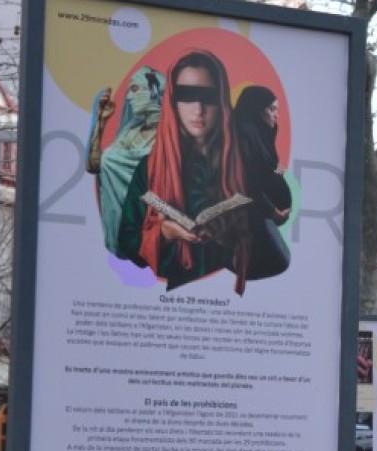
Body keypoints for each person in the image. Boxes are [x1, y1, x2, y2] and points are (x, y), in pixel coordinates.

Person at [117, 50, 254, 294]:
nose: (198, 109)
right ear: (172, 100)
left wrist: (229, 229)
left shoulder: (244, 165)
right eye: (187, 96)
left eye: (208, 96)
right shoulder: (149, 168)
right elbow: (126, 242)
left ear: (221, 99)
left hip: (231, 300)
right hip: (173, 300)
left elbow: (269, 241)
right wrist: (164, 233)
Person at [86, 66, 166, 254]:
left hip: (153, 229)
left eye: (135, 89)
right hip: (121, 235)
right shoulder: (130, 133)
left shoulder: (168, 134)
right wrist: (100, 122)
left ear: (154, 91)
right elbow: (94, 165)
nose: (129, 97)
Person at [230, 84, 292, 277]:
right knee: (275, 259)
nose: (276, 115)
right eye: (271, 109)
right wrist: (272, 210)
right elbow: (247, 182)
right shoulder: (243, 136)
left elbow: (262, 175)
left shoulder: (260, 135)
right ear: (257, 110)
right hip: (246, 217)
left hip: (260, 214)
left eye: (277, 110)